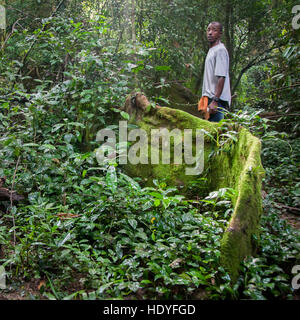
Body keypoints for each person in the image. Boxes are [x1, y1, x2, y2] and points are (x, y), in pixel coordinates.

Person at [199, 21, 231, 122]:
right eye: (208, 30)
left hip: (217, 100)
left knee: (216, 133)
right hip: (210, 98)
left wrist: (215, 101)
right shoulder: (212, 50)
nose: (210, 32)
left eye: (214, 30)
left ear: (220, 34)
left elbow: (221, 77)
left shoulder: (220, 50)